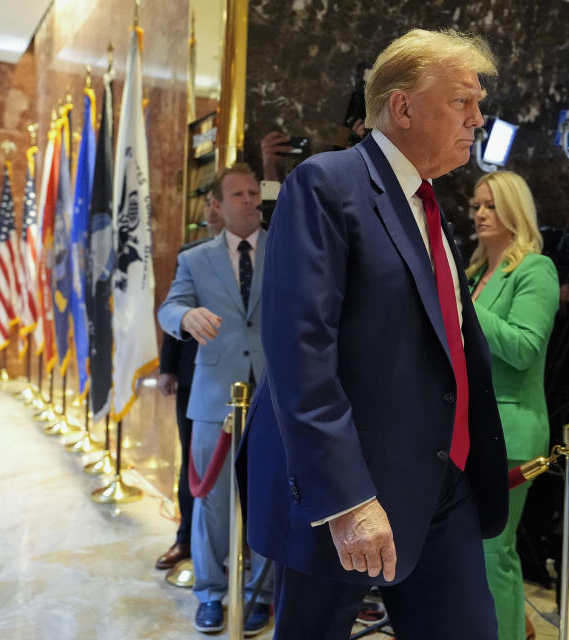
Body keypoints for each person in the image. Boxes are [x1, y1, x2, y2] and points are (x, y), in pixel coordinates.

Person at [238, 28, 509, 639]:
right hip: (352, 493)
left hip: (444, 482)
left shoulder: (430, 204)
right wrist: (346, 500)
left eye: (479, 103)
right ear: (403, 107)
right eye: (463, 101)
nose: (479, 117)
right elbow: (299, 352)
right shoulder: (327, 184)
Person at [158, 164, 273, 636]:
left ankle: (261, 592)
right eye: (238, 195)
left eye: (253, 193)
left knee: (266, 497)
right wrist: (185, 318)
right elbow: (170, 306)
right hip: (213, 398)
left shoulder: (287, 248)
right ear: (218, 206)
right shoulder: (195, 258)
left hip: (273, 394)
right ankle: (210, 591)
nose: (249, 201)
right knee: (210, 502)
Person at [466, 171, 559, 640]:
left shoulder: (534, 269)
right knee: (474, 551)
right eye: (476, 206)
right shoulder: (477, 273)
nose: (480, 213)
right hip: (469, 429)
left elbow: (524, 348)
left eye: (490, 205)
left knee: (493, 551)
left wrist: (463, 304)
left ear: (514, 210)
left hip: (512, 431)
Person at [154, 192, 224, 572]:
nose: (212, 209)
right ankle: (185, 539)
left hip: (240, 379)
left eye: (220, 202)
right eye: (211, 202)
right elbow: (174, 311)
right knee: (193, 464)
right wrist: (168, 368)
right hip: (193, 378)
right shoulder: (192, 254)